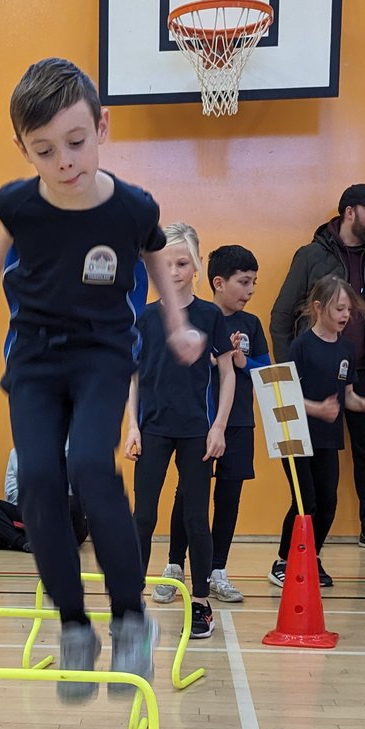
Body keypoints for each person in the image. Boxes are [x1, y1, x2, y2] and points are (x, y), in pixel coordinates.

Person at [0, 57, 204, 702]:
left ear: (101, 126)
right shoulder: (17, 200)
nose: (63, 160)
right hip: (35, 358)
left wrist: (175, 324)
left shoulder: (131, 207)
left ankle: (130, 618)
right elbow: (5, 235)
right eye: (43, 150)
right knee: (38, 475)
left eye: (75, 142)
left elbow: (153, 253)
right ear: (22, 149)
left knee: (92, 466)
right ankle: (74, 625)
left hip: (100, 353)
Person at [270, 184, 365, 552]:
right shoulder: (310, 255)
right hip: (314, 378)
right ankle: (296, 555)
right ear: (350, 212)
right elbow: (282, 315)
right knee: (312, 474)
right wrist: (289, 376)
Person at [124, 223, 235, 640]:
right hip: (152, 429)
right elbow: (132, 376)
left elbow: (227, 373)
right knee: (143, 516)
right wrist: (131, 425)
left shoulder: (209, 316)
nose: (173, 271)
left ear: (196, 268)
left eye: (182, 263)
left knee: (195, 518)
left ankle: (201, 603)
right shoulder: (145, 318)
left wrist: (219, 426)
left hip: (195, 432)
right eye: (165, 264)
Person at [154, 244, 270, 606]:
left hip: (238, 423)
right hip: (199, 424)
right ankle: (175, 566)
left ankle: (216, 570)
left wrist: (240, 359)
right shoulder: (196, 317)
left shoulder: (251, 323)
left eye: (254, 283)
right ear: (219, 283)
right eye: (244, 282)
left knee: (229, 497)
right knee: (189, 496)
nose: (250, 290)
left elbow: (264, 367)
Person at [270, 274, 365, 588]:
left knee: (327, 502)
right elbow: (286, 396)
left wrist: (364, 404)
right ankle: (282, 560)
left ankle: (310, 556)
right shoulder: (301, 346)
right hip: (297, 436)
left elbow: (347, 395)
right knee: (305, 501)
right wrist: (316, 409)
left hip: (328, 439)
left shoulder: (346, 350)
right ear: (318, 308)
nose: (345, 316)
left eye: (348, 310)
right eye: (339, 309)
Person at [0, 446, 88, 551]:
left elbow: (77, 494)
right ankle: (22, 541)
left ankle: (7, 540)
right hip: (29, 512)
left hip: (60, 517)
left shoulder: (71, 450)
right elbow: (11, 494)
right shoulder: (16, 453)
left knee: (74, 503)